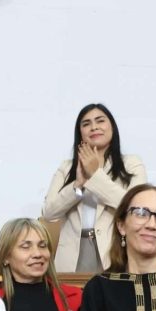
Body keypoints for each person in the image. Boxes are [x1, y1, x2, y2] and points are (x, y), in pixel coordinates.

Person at [41, 103, 146, 273]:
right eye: (86, 124)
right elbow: (49, 213)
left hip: (114, 248)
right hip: (74, 251)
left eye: (100, 121)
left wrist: (95, 176)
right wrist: (78, 185)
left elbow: (134, 208)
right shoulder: (67, 168)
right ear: (80, 133)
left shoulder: (132, 164)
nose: (94, 127)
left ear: (112, 127)